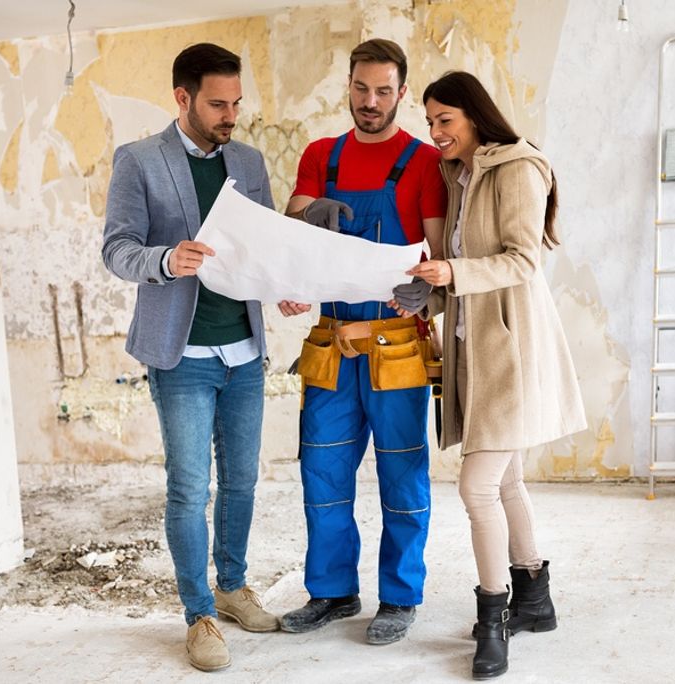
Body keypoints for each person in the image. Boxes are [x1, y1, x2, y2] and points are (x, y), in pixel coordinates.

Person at [390, 71, 587, 680]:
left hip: (512, 348)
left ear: (475, 116)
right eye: (429, 122)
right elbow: (467, 262)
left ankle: (493, 618)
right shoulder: (460, 173)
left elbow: (524, 259)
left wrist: (453, 275)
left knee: (477, 487)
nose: (435, 132)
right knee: (505, 484)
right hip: (477, 346)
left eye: (445, 119)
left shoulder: (519, 168)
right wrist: (430, 295)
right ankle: (536, 600)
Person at [102, 42, 279, 672]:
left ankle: (232, 587)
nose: (231, 114)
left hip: (245, 351)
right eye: (217, 103)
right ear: (182, 98)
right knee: (189, 488)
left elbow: (261, 245)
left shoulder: (250, 162)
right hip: (180, 356)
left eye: (236, 102)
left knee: (242, 481)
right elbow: (116, 249)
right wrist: (165, 260)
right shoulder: (138, 160)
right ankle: (199, 612)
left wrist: (279, 286)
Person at [276, 38, 448, 646]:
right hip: (329, 344)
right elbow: (292, 234)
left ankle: (399, 596)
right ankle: (331, 592)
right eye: (359, 88)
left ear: (402, 92)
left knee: (403, 477)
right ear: (346, 85)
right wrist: (301, 234)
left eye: (382, 91)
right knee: (321, 474)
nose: (369, 102)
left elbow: (435, 249)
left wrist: (427, 292)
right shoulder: (320, 156)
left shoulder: (424, 161)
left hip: (396, 342)